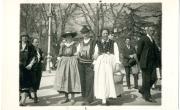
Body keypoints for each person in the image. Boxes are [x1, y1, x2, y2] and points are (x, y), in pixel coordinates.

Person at [93, 29, 121, 105]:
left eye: (106, 33)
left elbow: (117, 53)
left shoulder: (113, 43)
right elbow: (96, 53)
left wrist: (117, 63)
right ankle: (103, 98)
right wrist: (95, 62)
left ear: (108, 34)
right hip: (100, 62)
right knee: (101, 80)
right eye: (104, 33)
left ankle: (108, 96)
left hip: (109, 62)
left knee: (109, 80)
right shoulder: (98, 43)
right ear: (101, 34)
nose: (105, 34)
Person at [54, 31, 81, 105]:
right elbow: (60, 54)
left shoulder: (75, 44)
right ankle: (65, 98)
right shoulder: (63, 45)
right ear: (65, 37)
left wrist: (76, 56)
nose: (68, 37)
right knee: (64, 78)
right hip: (64, 62)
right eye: (67, 36)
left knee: (72, 78)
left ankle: (72, 98)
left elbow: (78, 53)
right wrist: (57, 61)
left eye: (70, 36)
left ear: (72, 37)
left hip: (72, 62)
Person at [136, 26, 160, 102]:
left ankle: (143, 89)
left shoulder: (153, 40)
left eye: (153, 30)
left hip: (152, 63)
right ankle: (147, 96)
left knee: (154, 78)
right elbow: (138, 52)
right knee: (146, 80)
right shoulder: (143, 39)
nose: (152, 32)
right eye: (151, 30)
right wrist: (140, 62)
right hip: (145, 63)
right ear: (147, 31)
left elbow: (156, 51)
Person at [77, 26, 96, 105]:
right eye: (83, 33)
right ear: (82, 34)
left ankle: (89, 99)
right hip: (81, 64)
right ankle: (84, 97)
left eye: (86, 33)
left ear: (89, 33)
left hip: (89, 64)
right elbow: (77, 52)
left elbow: (96, 53)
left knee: (89, 81)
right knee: (82, 81)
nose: (85, 34)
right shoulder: (80, 43)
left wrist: (94, 62)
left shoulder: (93, 42)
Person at [19, 32, 36, 106]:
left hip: (27, 68)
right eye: (23, 36)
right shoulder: (17, 45)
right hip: (18, 67)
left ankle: (23, 101)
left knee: (25, 84)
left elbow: (34, 57)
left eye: (26, 36)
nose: (24, 38)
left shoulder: (30, 46)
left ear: (28, 38)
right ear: (21, 37)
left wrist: (30, 65)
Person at [31, 38, 44, 103]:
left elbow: (41, 57)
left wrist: (42, 60)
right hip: (32, 68)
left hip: (38, 68)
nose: (37, 43)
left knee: (37, 81)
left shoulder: (39, 49)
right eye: (35, 42)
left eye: (38, 42)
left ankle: (33, 94)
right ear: (32, 43)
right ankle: (34, 95)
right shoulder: (30, 50)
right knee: (33, 81)